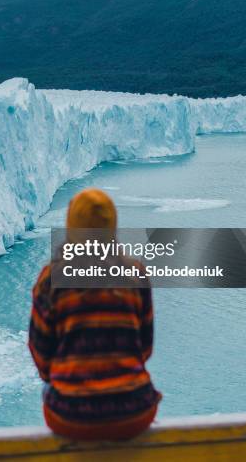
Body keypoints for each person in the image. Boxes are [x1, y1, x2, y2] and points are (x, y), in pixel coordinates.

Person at [28, 188, 161, 441]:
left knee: (49, 388)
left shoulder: (50, 279)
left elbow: (40, 349)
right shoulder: (135, 274)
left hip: (70, 417)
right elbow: (144, 347)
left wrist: (65, 380)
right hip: (135, 413)